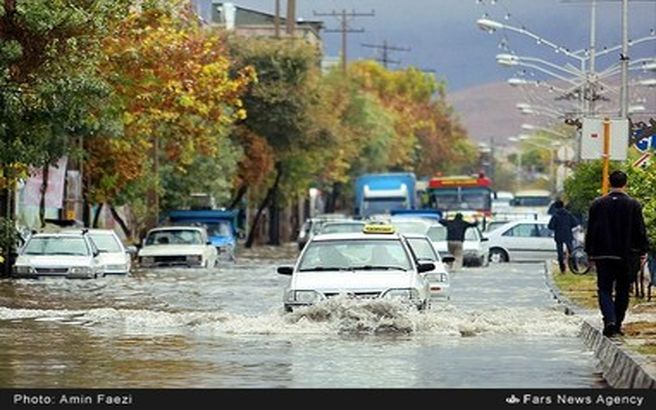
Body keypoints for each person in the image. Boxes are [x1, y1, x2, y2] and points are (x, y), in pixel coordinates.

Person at [584, 170, 649, 337]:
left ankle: (610, 320)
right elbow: (640, 230)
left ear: (609, 182)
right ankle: (617, 323)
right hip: (626, 256)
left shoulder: (597, 204)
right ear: (625, 184)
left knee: (604, 289)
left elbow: (590, 229)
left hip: (603, 255)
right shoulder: (633, 204)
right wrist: (642, 251)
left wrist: (589, 252)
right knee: (623, 290)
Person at [548, 199, 580, 274]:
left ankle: (562, 269)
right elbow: (575, 223)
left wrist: (557, 227)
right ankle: (575, 267)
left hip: (559, 235)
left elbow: (550, 226)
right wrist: (568, 227)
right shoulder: (568, 214)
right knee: (571, 251)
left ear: (556, 207)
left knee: (560, 253)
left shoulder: (555, 216)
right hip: (568, 235)